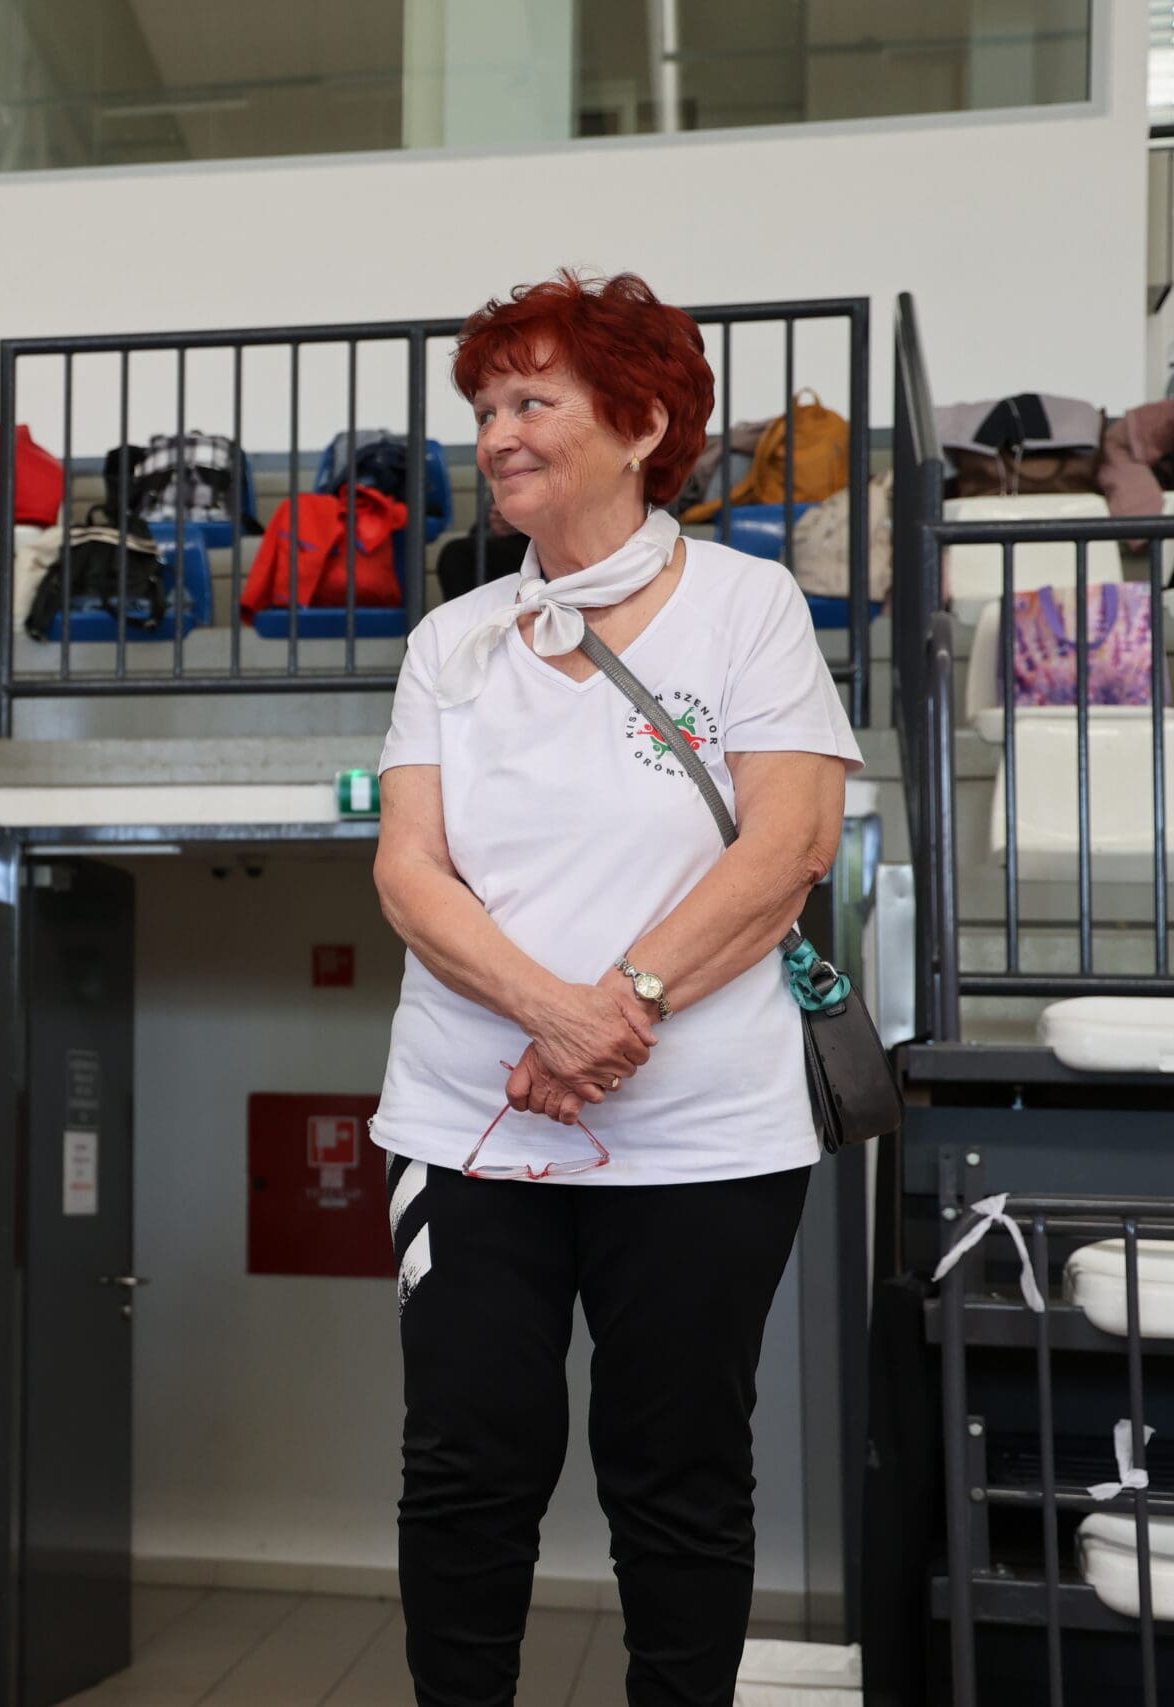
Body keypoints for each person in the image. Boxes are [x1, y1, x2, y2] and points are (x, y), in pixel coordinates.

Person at [369, 270, 861, 1707]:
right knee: (465, 1463)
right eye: (484, 408)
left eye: (533, 400)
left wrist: (618, 1003)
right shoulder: (450, 639)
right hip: (470, 1121)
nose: (495, 435)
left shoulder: (748, 605)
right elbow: (410, 870)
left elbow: (791, 843)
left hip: (708, 1133)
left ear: (643, 424)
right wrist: (553, 1011)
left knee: (679, 1469)